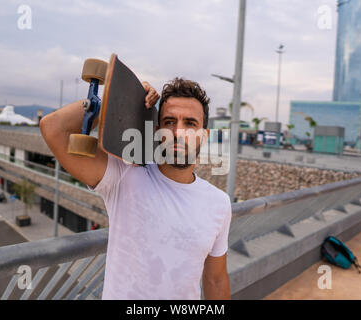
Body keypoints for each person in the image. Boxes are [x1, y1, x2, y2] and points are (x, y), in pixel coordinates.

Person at [40, 78, 231, 300]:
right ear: (157, 130)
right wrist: (121, 101)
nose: (178, 132)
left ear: (204, 136)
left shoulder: (219, 203)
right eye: (169, 122)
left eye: (190, 123)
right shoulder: (125, 175)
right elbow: (54, 128)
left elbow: (215, 279)